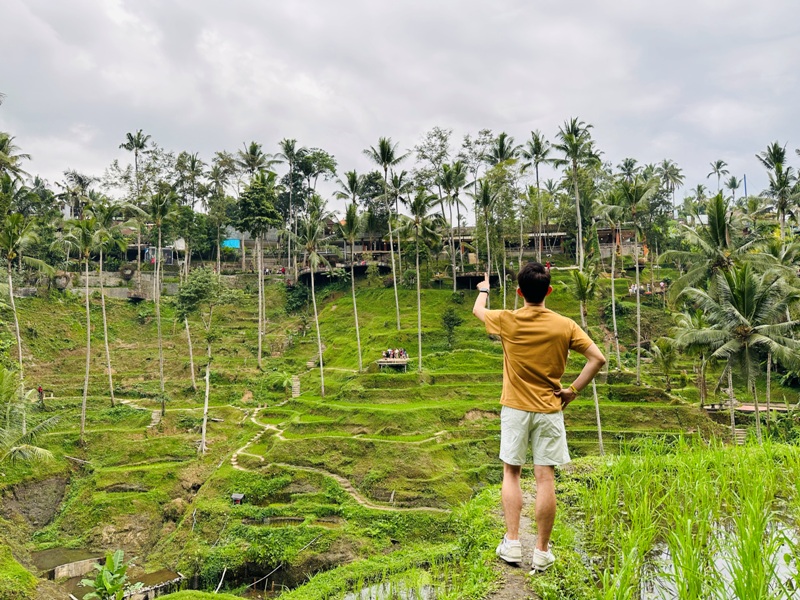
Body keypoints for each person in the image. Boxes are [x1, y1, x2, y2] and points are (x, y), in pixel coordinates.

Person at [472, 262, 606, 573]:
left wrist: (484, 289)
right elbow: (598, 358)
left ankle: (513, 542)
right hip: (550, 410)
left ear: (519, 292)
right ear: (549, 291)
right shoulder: (565, 325)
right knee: (545, 478)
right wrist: (572, 390)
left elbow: (479, 310)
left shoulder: (507, 320)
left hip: (515, 409)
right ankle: (543, 551)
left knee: (512, 473)